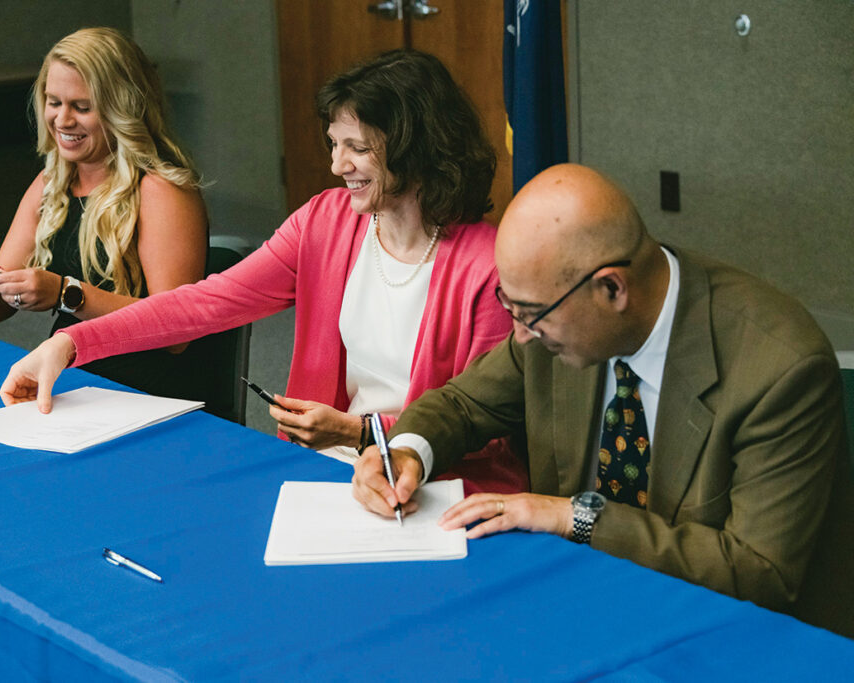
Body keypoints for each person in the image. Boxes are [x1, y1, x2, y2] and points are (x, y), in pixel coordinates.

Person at [0, 49, 527, 494]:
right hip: (329, 469)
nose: (337, 166)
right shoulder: (325, 221)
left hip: (437, 485)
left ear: (416, 151)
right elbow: (205, 302)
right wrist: (69, 344)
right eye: (334, 144)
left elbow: (487, 426)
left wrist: (360, 431)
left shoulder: (488, 264)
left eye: (357, 148)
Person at [353, 163, 847, 614]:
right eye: (512, 308)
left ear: (612, 289)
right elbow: (463, 404)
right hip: (578, 599)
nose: (520, 334)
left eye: (532, 315)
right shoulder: (554, 327)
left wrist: (576, 517)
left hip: (720, 626)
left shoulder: (780, 370)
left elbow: (759, 573)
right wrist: (407, 453)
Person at [0, 28, 214, 411]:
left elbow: (174, 332)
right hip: (73, 381)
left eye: (82, 107)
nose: (62, 119)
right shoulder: (50, 183)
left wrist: (65, 294)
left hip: (148, 395)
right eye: (54, 102)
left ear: (123, 109)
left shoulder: (162, 190)